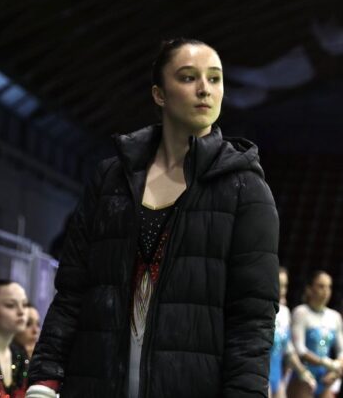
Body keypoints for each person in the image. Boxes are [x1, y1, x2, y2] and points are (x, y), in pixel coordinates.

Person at [26, 38, 280, 398]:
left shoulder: (246, 189)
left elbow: (252, 317)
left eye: (215, 78)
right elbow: (72, 292)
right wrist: (45, 375)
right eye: (189, 78)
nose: (205, 89)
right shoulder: (110, 179)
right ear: (159, 94)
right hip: (94, 383)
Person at [289, 270, 343, 398]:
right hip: (304, 376)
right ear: (309, 289)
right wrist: (325, 362)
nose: (326, 291)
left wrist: (335, 373)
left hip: (326, 377)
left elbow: (342, 351)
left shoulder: (335, 317)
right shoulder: (301, 313)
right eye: (321, 286)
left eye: (329, 287)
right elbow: (300, 349)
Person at [270, 267, 316, 397]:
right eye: (279, 285)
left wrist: (302, 372)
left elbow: (288, 349)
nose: (282, 291)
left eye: (285, 286)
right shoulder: (259, 311)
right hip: (261, 376)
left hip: (277, 377)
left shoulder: (284, 312)